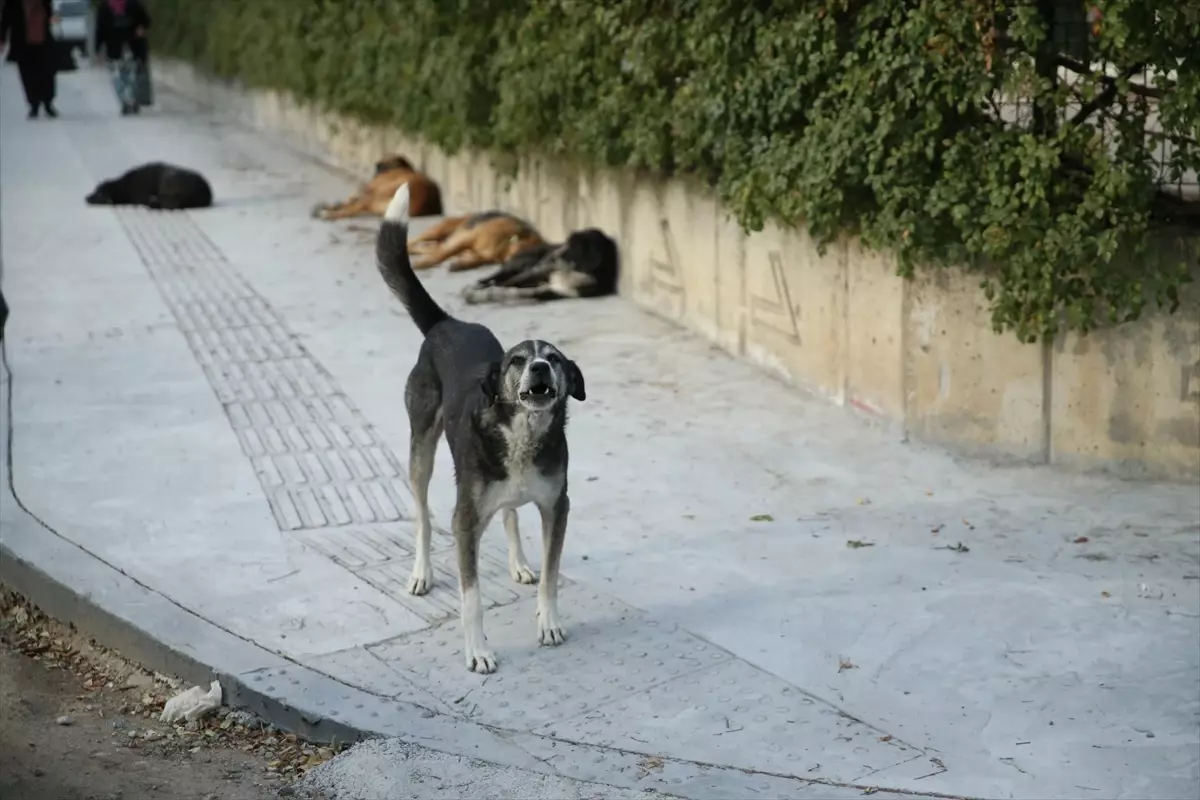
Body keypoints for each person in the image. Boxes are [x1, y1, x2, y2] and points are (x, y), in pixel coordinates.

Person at [0, 0, 58, 118]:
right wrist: (2, 38)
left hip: (43, 41)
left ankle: (47, 103)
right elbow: (6, 19)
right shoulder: (13, 3)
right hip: (22, 42)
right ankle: (34, 104)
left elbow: (50, 13)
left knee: (47, 72)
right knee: (28, 74)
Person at [93, 0, 151, 116]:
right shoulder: (105, 7)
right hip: (114, 49)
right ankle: (124, 102)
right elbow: (100, 29)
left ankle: (133, 100)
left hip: (134, 47)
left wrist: (141, 28)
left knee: (133, 76)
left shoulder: (133, 4)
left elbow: (146, 21)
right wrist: (98, 50)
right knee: (117, 77)